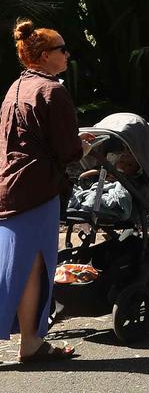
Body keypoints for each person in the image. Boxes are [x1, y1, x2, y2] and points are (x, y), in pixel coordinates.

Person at [0, 20, 84, 363]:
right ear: (45, 56)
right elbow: (67, 151)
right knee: (34, 266)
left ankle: (31, 342)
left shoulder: (16, 87)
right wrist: (83, 146)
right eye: (62, 49)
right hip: (36, 189)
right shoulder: (53, 91)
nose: (67, 54)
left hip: (9, 184)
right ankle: (31, 344)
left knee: (13, 264)